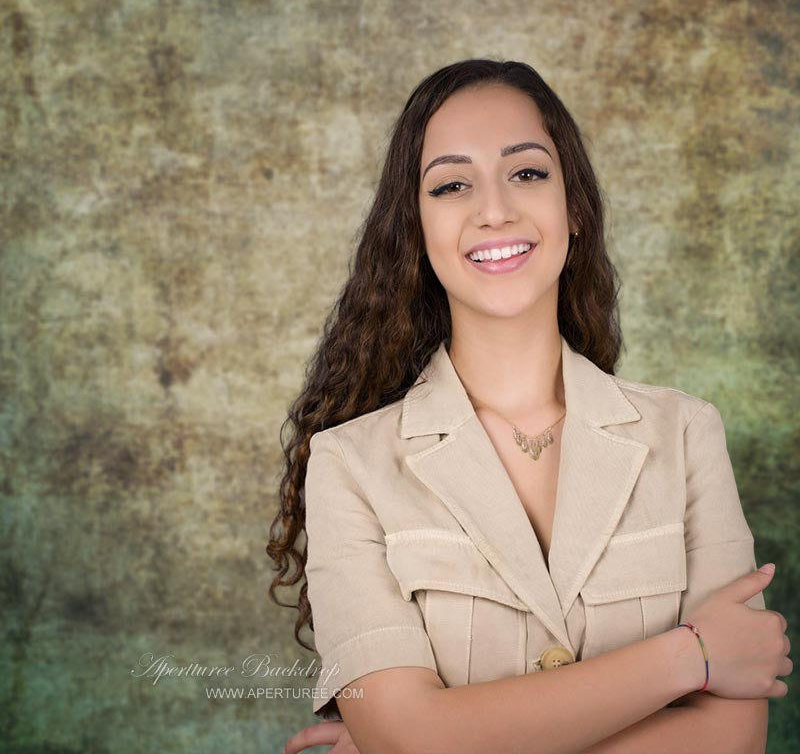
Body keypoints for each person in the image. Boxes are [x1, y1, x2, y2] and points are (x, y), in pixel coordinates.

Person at [268, 58, 792, 754]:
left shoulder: (687, 433)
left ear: (572, 205)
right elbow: (409, 740)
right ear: (415, 230)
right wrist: (690, 656)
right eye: (452, 185)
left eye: (527, 172)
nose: (494, 210)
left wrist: (440, 736)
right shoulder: (348, 466)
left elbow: (732, 740)